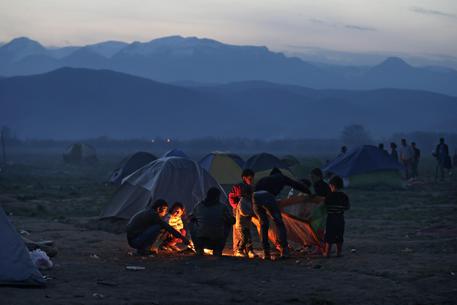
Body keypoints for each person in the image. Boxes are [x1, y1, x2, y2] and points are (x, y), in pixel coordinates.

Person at [253, 168, 310, 259]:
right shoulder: (280, 177)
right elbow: (295, 184)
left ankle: (266, 252)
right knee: (279, 223)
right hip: (267, 196)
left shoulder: (263, 180)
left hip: (255, 197)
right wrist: (308, 192)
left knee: (263, 225)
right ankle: (284, 250)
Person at [189, 188, 235, 256]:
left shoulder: (199, 206)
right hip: (217, 239)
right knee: (228, 223)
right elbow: (232, 221)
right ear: (218, 197)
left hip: (201, 239)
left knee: (191, 223)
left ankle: (199, 249)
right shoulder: (222, 207)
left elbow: (191, 217)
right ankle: (218, 250)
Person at [228, 169, 257, 258]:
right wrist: (237, 206)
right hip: (238, 212)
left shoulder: (252, 188)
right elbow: (231, 197)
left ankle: (249, 250)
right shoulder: (238, 187)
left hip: (248, 212)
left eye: (252, 179)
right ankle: (238, 250)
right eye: (250, 179)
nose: (251, 181)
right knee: (239, 231)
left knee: (247, 230)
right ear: (244, 178)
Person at [323, 176, 350, 258]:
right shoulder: (344, 196)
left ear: (332, 185)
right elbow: (347, 207)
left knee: (329, 236)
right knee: (339, 235)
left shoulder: (328, 196)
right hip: (340, 218)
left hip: (331, 218)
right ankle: (339, 252)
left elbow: (324, 207)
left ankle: (327, 253)